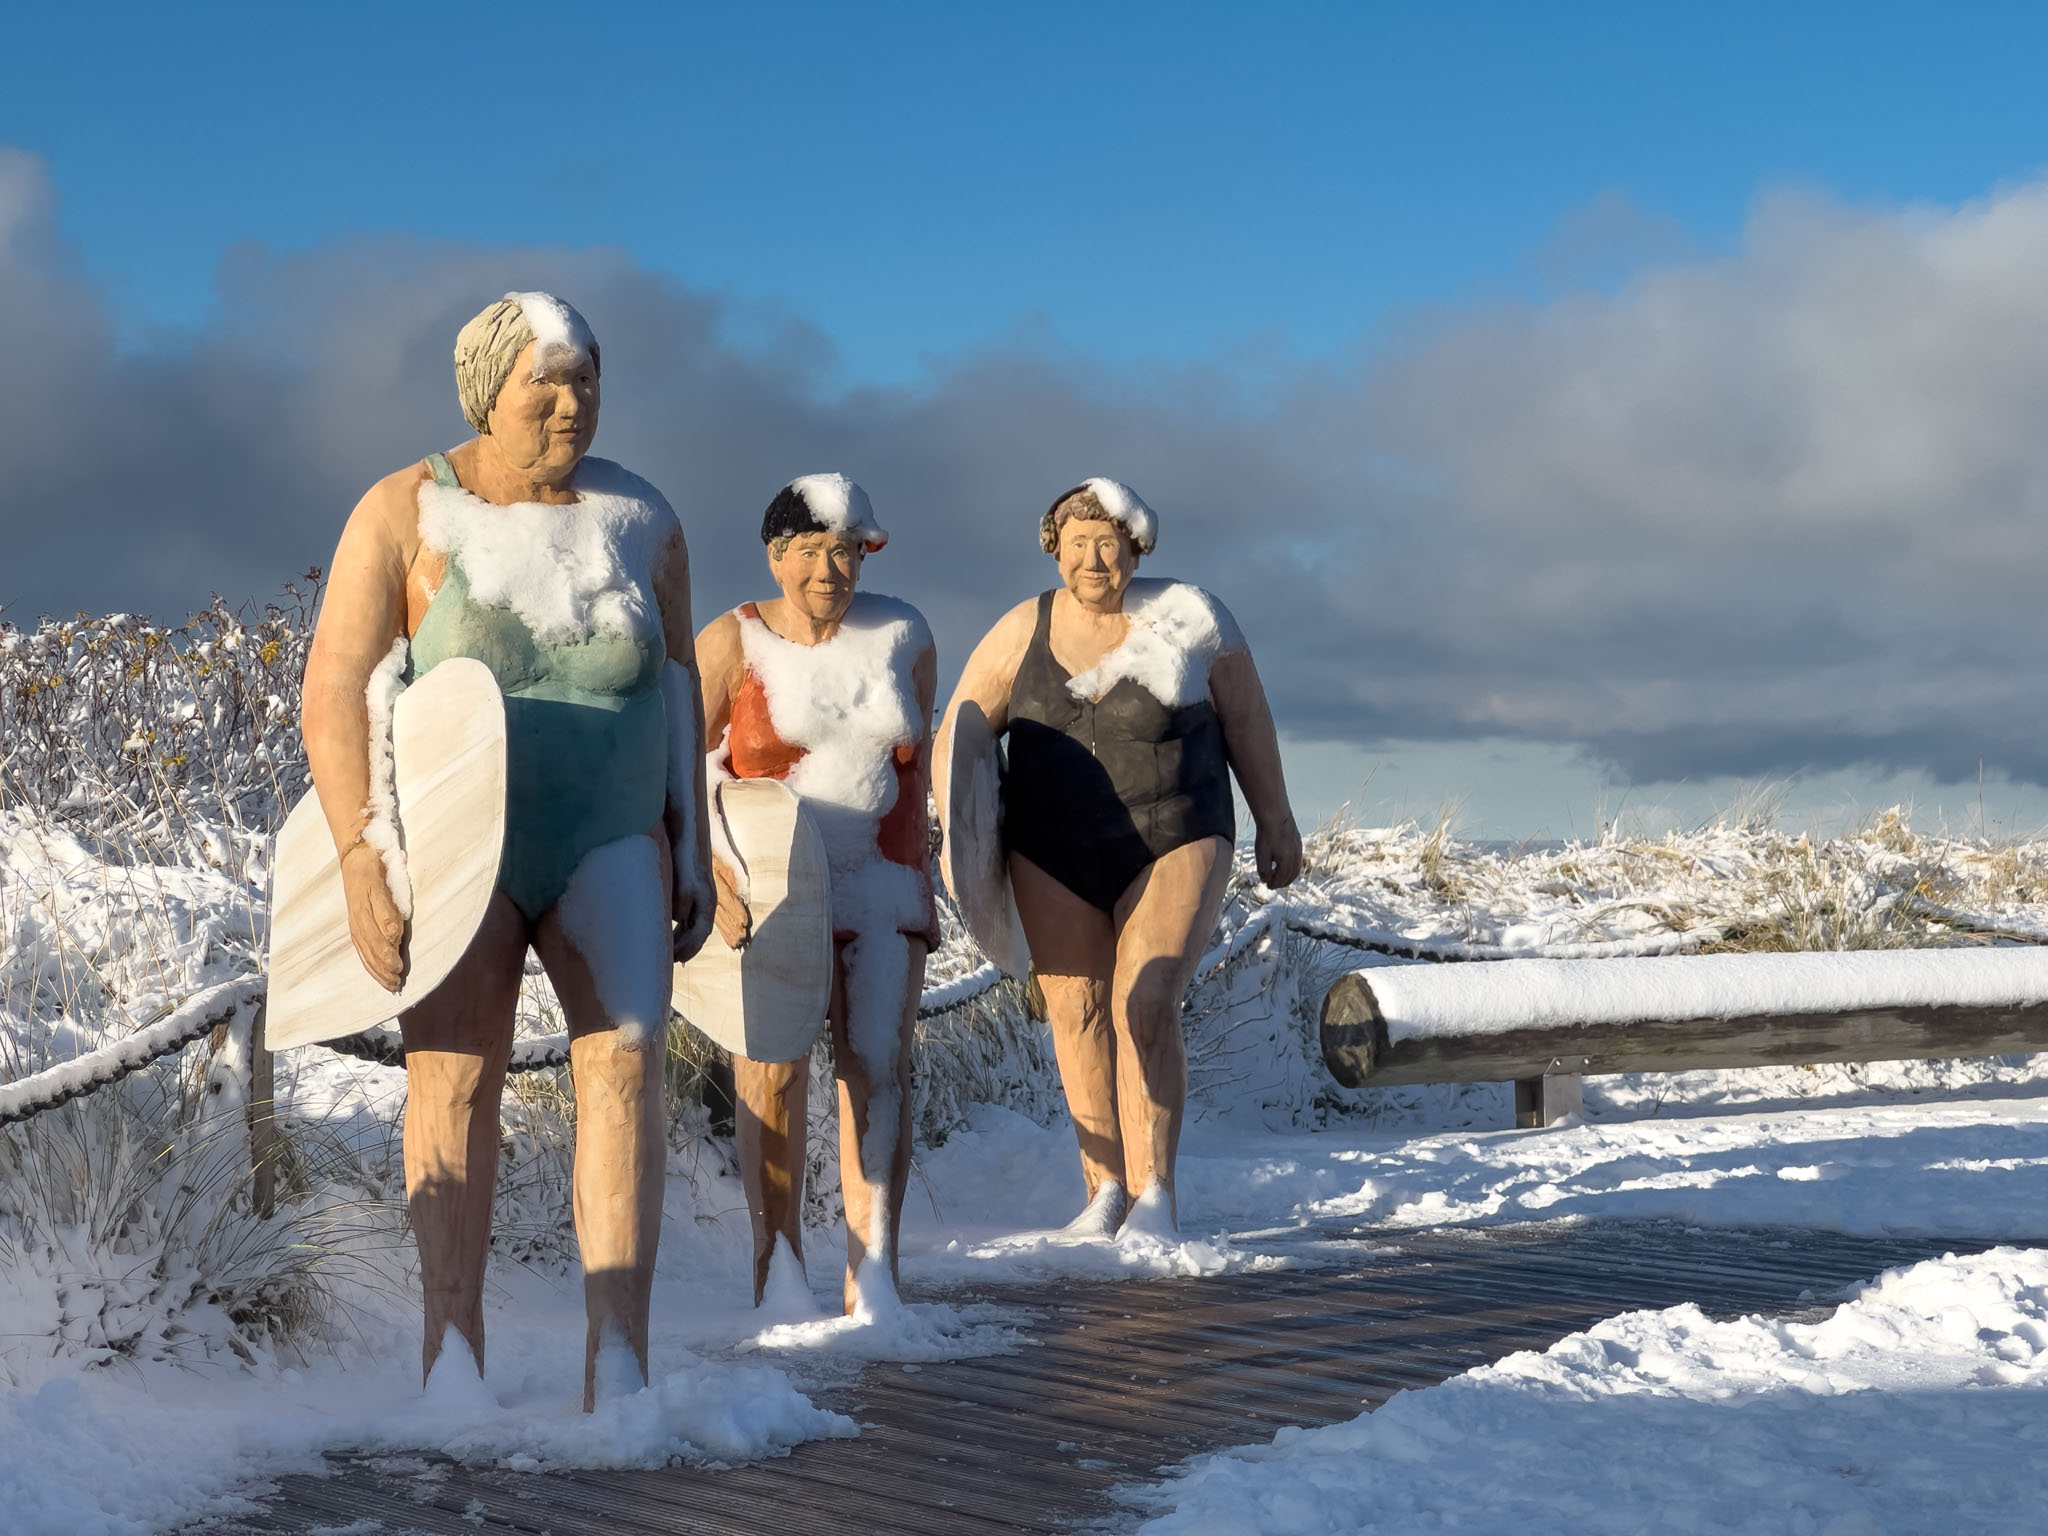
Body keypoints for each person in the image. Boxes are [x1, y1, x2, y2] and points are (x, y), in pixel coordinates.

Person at [300, 292, 711, 1407]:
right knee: (453, 1079)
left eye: (585, 379)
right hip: (455, 846)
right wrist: (357, 851)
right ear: (488, 392)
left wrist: (696, 845)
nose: (570, 402)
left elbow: (680, 691)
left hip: (610, 836)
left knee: (623, 1069)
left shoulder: (645, 521)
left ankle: (617, 1358)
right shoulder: (404, 509)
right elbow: (339, 686)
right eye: (546, 381)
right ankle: (451, 1361)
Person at [937, 478, 1301, 1236]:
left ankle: (1156, 1194)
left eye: (1110, 545)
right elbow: (962, 733)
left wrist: (1277, 821)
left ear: (1137, 546)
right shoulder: (1021, 629)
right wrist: (943, 831)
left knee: (1146, 999)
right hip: (1050, 847)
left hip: (1176, 832)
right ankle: (1104, 1190)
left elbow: (1248, 718)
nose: (1094, 562)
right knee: (1075, 1010)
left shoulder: (1193, 619)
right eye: (1078, 547)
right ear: (1053, 551)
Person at [693, 475, 937, 1313]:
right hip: (771, 889)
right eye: (809, 552)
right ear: (776, 555)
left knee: (880, 1071)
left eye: (844, 552)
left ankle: (876, 1276)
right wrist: (711, 866)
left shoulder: (904, 637)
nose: (829, 570)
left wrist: (924, 886)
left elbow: (921, 769)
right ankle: (778, 1274)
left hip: (881, 885)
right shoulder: (732, 642)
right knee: (771, 1074)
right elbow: (681, 770)